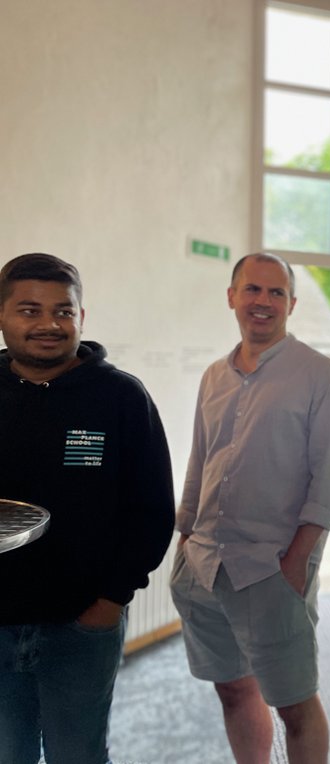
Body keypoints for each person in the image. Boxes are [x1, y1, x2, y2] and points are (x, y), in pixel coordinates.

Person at [171, 253, 330, 764]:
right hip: (202, 566)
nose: (263, 302)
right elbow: (200, 460)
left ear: (291, 304)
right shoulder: (213, 376)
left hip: (270, 571)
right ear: (232, 297)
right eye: (253, 290)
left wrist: (296, 563)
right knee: (232, 689)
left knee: (295, 704)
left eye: (276, 293)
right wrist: (185, 539)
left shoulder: (320, 377)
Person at [0, 253, 175, 764]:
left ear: (82, 316)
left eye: (63, 311)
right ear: (3, 315)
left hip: (81, 627)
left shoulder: (120, 397)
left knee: (77, 754)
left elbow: (151, 510)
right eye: (29, 310)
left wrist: (110, 601)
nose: (49, 324)